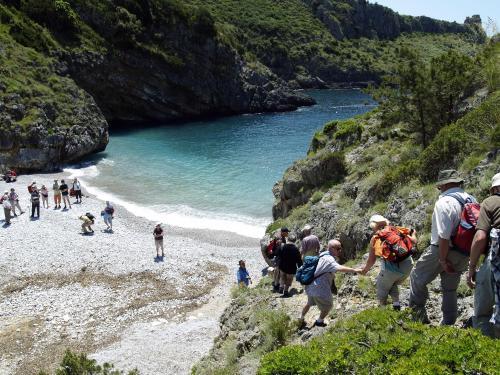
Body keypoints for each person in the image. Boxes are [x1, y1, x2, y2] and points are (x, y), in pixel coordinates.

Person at [409, 169, 476, 325]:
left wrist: (443, 259)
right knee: (450, 288)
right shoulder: (472, 199)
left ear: (444, 185)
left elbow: (443, 236)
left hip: (443, 250)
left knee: (417, 277)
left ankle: (417, 318)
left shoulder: (444, 202)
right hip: (465, 252)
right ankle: (448, 322)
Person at [299, 239, 362, 328]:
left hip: (310, 285)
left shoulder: (322, 254)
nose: (340, 250)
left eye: (341, 248)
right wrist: (355, 270)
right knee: (328, 305)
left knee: (309, 302)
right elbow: (339, 268)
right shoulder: (329, 260)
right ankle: (319, 322)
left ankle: (300, 318)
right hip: (319, 288)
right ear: (331, 248)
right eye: (338, 248)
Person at [467, 172, 500, 338]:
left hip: (495, 258)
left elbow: (480, 237)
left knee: (483, 312)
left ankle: (486, 354)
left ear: (494, 188)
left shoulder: (491, 202)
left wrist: (472, 267)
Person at [360, 215, 417, 310]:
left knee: (381, 287)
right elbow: (414, 241)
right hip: (408, 266)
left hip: (392, 270)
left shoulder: (375, 238)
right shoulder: (397, 229)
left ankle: (382, 313)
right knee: (392, 284)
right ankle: (396, 305)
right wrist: (414, 233)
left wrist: (365, 270)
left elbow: (371, 260)